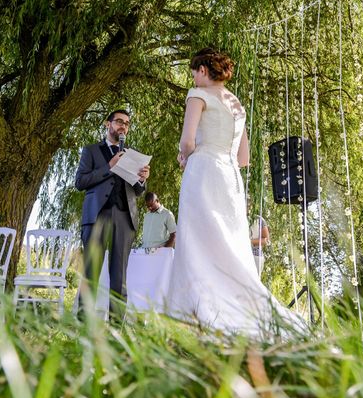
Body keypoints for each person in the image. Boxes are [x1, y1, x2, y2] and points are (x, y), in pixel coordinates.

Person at [168, 48, 305, 338]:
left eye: (194, 72)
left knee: (198, 240)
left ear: (203, 70)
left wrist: (183, 159)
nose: (192, 78)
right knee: (229, 242)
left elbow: (187, 141)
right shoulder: (236, 104)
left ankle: (194, 315)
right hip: (230, 178)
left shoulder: (197, 96)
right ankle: (241, 307)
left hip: (203, 170)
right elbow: (243, 158)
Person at [75, 110, 150, 321]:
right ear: (108, 124)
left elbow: (137, 190)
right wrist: (109, 167)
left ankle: (117, 327)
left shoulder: (133, 155)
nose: (123, 126)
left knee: (119, 277)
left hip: (125, 218)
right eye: (119, 122)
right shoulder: (90, 151)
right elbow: (80, 182)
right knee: (91, 272)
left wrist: (142, 179)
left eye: (126, 123)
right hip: (97, 216)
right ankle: (82, 324)